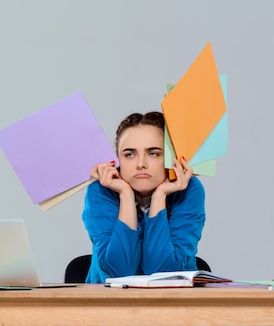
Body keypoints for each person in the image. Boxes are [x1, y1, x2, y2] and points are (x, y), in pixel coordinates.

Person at [82, 111, 206, 283]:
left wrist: (159, 196)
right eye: (129, 154)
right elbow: (119, 273)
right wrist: (125, 195)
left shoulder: (189, 189)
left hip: (175, 304)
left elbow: (162, 274)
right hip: (106, 304)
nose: (141, 164)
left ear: (170, 158)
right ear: (117, 160)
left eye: (153, 153)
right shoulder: (101, 188)